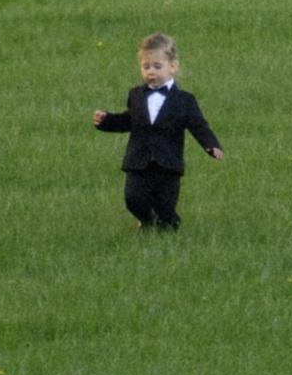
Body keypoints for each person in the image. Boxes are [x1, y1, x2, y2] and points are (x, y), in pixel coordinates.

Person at [92, 28, 224, 231]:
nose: (151, 72)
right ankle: (146, 220)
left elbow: (198, 125)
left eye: (157, 66)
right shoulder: (136, 95)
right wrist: (107, 121)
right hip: (139, 161)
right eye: (146, 67)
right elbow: (130, 120)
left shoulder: (185, 101)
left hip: (168, 163)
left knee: (165, 206)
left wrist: (211, 145)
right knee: (133, 198)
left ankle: (169, 227)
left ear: (173, 67)